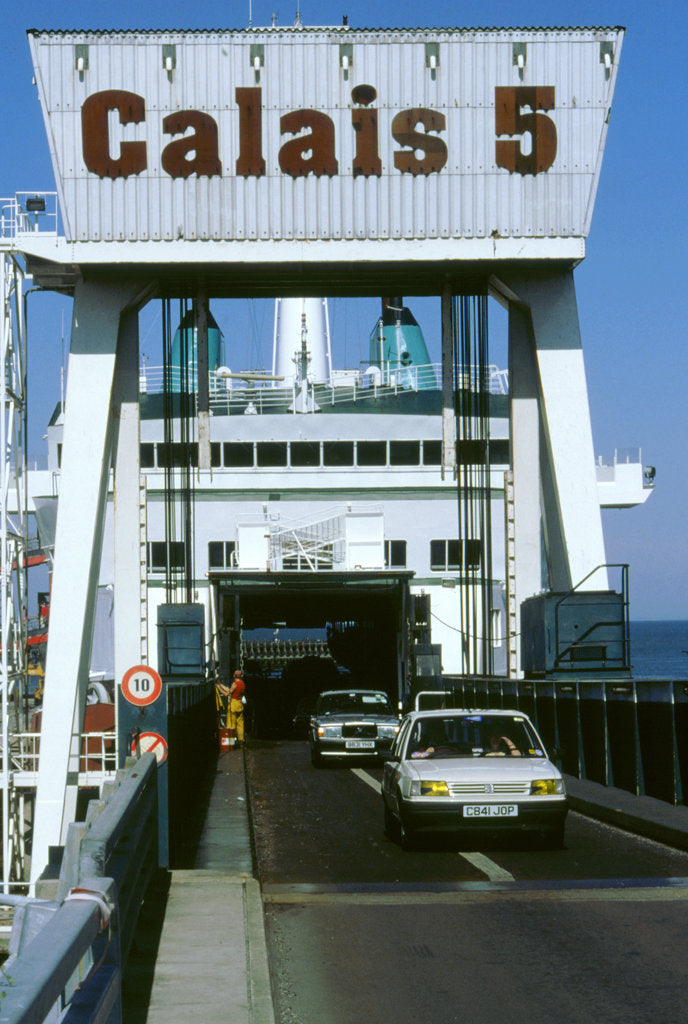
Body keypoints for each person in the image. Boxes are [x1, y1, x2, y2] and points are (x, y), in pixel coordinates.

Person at [227, 669, 246, 746]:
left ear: (234, 676)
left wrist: (219, 687)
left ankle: (231, 743)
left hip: (233, 705)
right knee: (240, 724)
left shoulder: (234, 684)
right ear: (241, 676)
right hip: (239, 704)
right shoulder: (242, 684)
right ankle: (241, 740)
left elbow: (228, 692)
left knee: (231, 724)